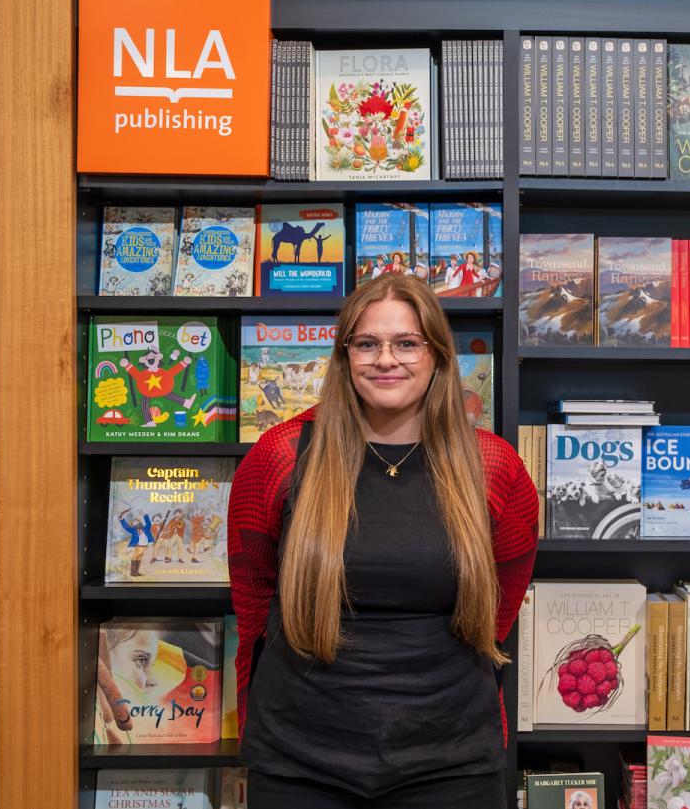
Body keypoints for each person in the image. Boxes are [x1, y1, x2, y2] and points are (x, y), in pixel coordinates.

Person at [228, 273, 538, 809]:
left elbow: (500, 606)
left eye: (406, 343)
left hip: (450, 758)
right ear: (344, 355)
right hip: (301, 757)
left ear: (438, 354)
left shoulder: (492, 465)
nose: (385, 360)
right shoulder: (279, 456)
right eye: (367, 343)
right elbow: (254, 603)